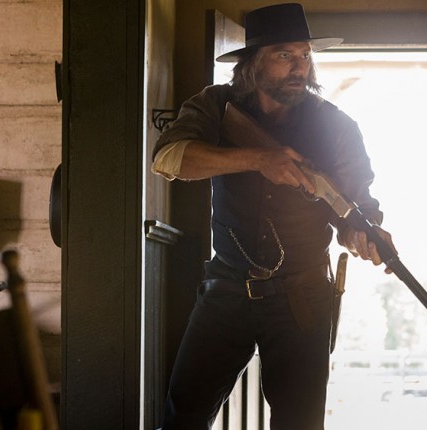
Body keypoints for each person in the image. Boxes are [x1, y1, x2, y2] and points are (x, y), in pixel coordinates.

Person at [151, 3, 396, 429]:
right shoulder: (216, 104)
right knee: (182, 416)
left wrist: (364, 235)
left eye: (304, 55)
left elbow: (354, 208)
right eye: (284, 55)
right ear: (252, 63)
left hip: (303, 296)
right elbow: (168, 158)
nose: (299, 67)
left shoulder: (336, 126)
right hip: (226, 287)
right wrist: (257, 159)